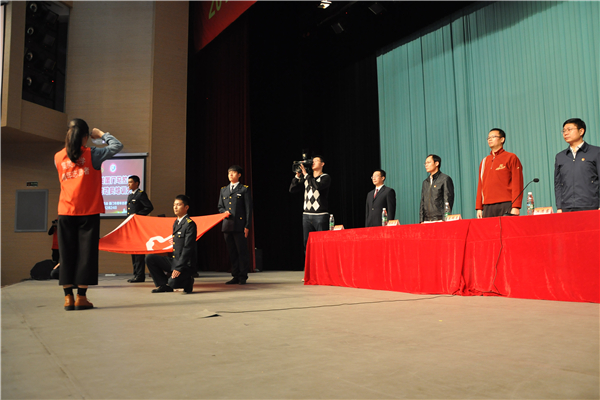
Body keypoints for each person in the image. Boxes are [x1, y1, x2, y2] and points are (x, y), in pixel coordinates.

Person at [55, 118, 123, 310]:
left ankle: (68, 298)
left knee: (66, 254)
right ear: (85, 137)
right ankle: (81, 298)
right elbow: (117, 145)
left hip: (65, 211)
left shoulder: (58, 157)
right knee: (86, 255)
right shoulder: (93, 154)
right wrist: (101, 134)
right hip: (89, 212)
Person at [145, 195, 196, 294]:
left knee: (173, 283)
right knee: (150, 258)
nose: (175, 207)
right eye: (174, 205)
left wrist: (179, 268)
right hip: (175, 261)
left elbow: (188, 248)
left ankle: (188, 281)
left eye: (178, 205)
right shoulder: (176, 222)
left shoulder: (189, 224)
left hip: (185, 264)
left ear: (186, 207)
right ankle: (163, 285)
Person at [554, 118, 600, 213]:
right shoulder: (560, 156)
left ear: (581, 131)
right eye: (564, 131)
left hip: (591, 206)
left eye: (569, 129)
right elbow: (558, 184)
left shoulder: (596, 152)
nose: (565, 133)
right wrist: (559, 207)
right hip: (567, 207)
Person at [476, 129, 524, 218]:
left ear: (502, 139)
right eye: (488, 138)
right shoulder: (484, 161)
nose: (490, 139)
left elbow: (517, 183)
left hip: (506, 204)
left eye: (493, 137)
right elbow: (480, 185)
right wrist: (479, 207)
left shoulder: (511, 157)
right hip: (487, 206)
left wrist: (516, 206)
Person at [218, 165, 253, 285]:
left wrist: (247, 226)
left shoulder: (244, 189)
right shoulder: (224, 190)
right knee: (232, 252)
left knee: (242, 252)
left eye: (233, 173)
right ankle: (235, 275)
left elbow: (248, 209)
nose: (231, 175)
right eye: (229, 173)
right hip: (227, 225)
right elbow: (220, 206)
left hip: (239, 225)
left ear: (239, 175)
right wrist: (224, 212)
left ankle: (243, 276)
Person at [289, 156, 331, 250]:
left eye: (316, 160)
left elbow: (317, 186)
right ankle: (308, 260)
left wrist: (306, 175)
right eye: (312, 161)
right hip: (306, 215)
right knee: (307, 244)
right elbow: (292, 189)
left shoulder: (325, 177)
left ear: (322, 164)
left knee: (322, 243)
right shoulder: (308, 178)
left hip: (320, 215)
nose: (313, 162)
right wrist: (297, 176)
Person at [126, 175, 154, 283]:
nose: (128, 184)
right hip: (131, 226)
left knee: (138, 252)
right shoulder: (130, 195)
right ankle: (136, 274)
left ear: (137, 183)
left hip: (138, 226)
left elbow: (149, 207)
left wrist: (137, 216)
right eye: (128, 182)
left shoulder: (141, 194)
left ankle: (140, 275)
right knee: (133, 250)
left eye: (131, 182)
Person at [419, 155, 455, 223]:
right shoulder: (425, 182)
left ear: (436, 163)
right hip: (426, 221)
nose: (426, 165)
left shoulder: (445, 179)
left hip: (440, 220)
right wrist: (421, 220)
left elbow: (447, 200)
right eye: (425, 163)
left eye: (428, 162)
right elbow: (422, 203)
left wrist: (445, 219)